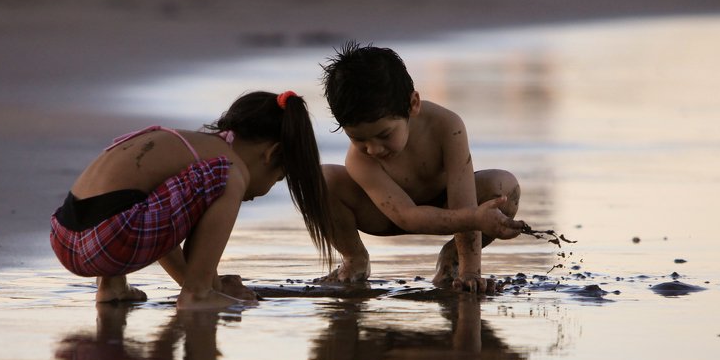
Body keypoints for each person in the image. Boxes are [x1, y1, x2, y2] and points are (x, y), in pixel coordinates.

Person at [49, 91, 333, 309]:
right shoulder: (226, 166)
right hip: (108, 240)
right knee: (229, 176)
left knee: (145, 193)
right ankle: (199, 293)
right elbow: (158, 223)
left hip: (65, 237)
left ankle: (112, 288)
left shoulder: (187, 145)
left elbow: (160, 221)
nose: (267, 189)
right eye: (278, 178)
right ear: (271, 154)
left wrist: (215, 282)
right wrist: (205, 289)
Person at [319, 42, 526, 293]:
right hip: (386, 214)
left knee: (503, 187)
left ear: (413, 104)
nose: (373, 149)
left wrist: (471, 272)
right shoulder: (359, 159)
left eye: (384, 134)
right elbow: (407, 216)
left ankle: (453, 260)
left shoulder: (447, 125)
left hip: (447, 206)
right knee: (322, 180)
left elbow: (464, 202)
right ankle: (355, 259)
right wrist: (474, 216)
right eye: (358, 139)